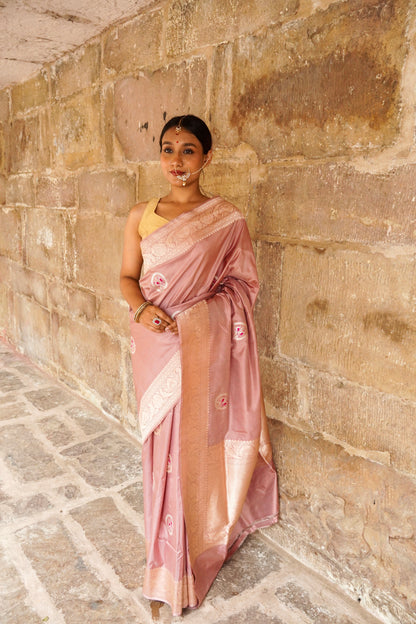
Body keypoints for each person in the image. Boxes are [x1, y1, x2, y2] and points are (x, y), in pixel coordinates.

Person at [120, 114, 279, 616]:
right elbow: (127, 278)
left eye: (188, 150)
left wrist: (198, 318)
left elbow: (242, 288)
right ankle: (162, 557)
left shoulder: (227, 219)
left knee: (192, 448)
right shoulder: (140, 215)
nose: (176, 161)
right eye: (168, 149)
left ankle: (187, 555)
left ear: (207, 157)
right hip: (156, 346)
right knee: (161, 450)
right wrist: (146, 311)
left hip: (202, 346)